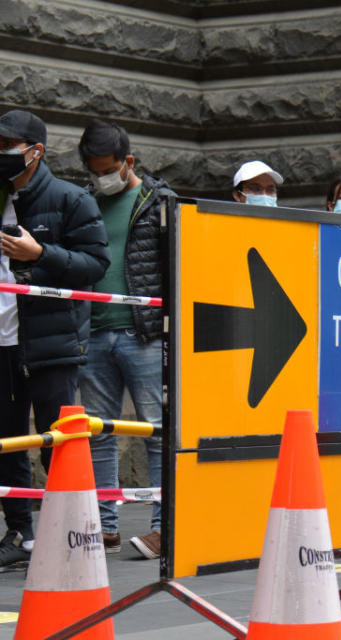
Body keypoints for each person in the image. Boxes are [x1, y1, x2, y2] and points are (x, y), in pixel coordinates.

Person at [0, 109, 109, 570]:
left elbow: (95, 265)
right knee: (7, 441)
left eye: (5, 145)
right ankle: (20, 533)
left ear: (34, 151)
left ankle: (68, 531)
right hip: (3, 342)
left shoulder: (70, 199)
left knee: (57, 442)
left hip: (51, 344)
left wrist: (40, 252)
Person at [78, 120, 173, 559]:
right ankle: (105, 527)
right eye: (93, 171)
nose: (100, 178)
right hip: (94, 333)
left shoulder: (159, 202)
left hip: (145, 334)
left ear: (128, 162)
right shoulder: (83, 203)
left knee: (156, 431)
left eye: (107, 169)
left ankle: (162, 527)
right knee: (98, 435)